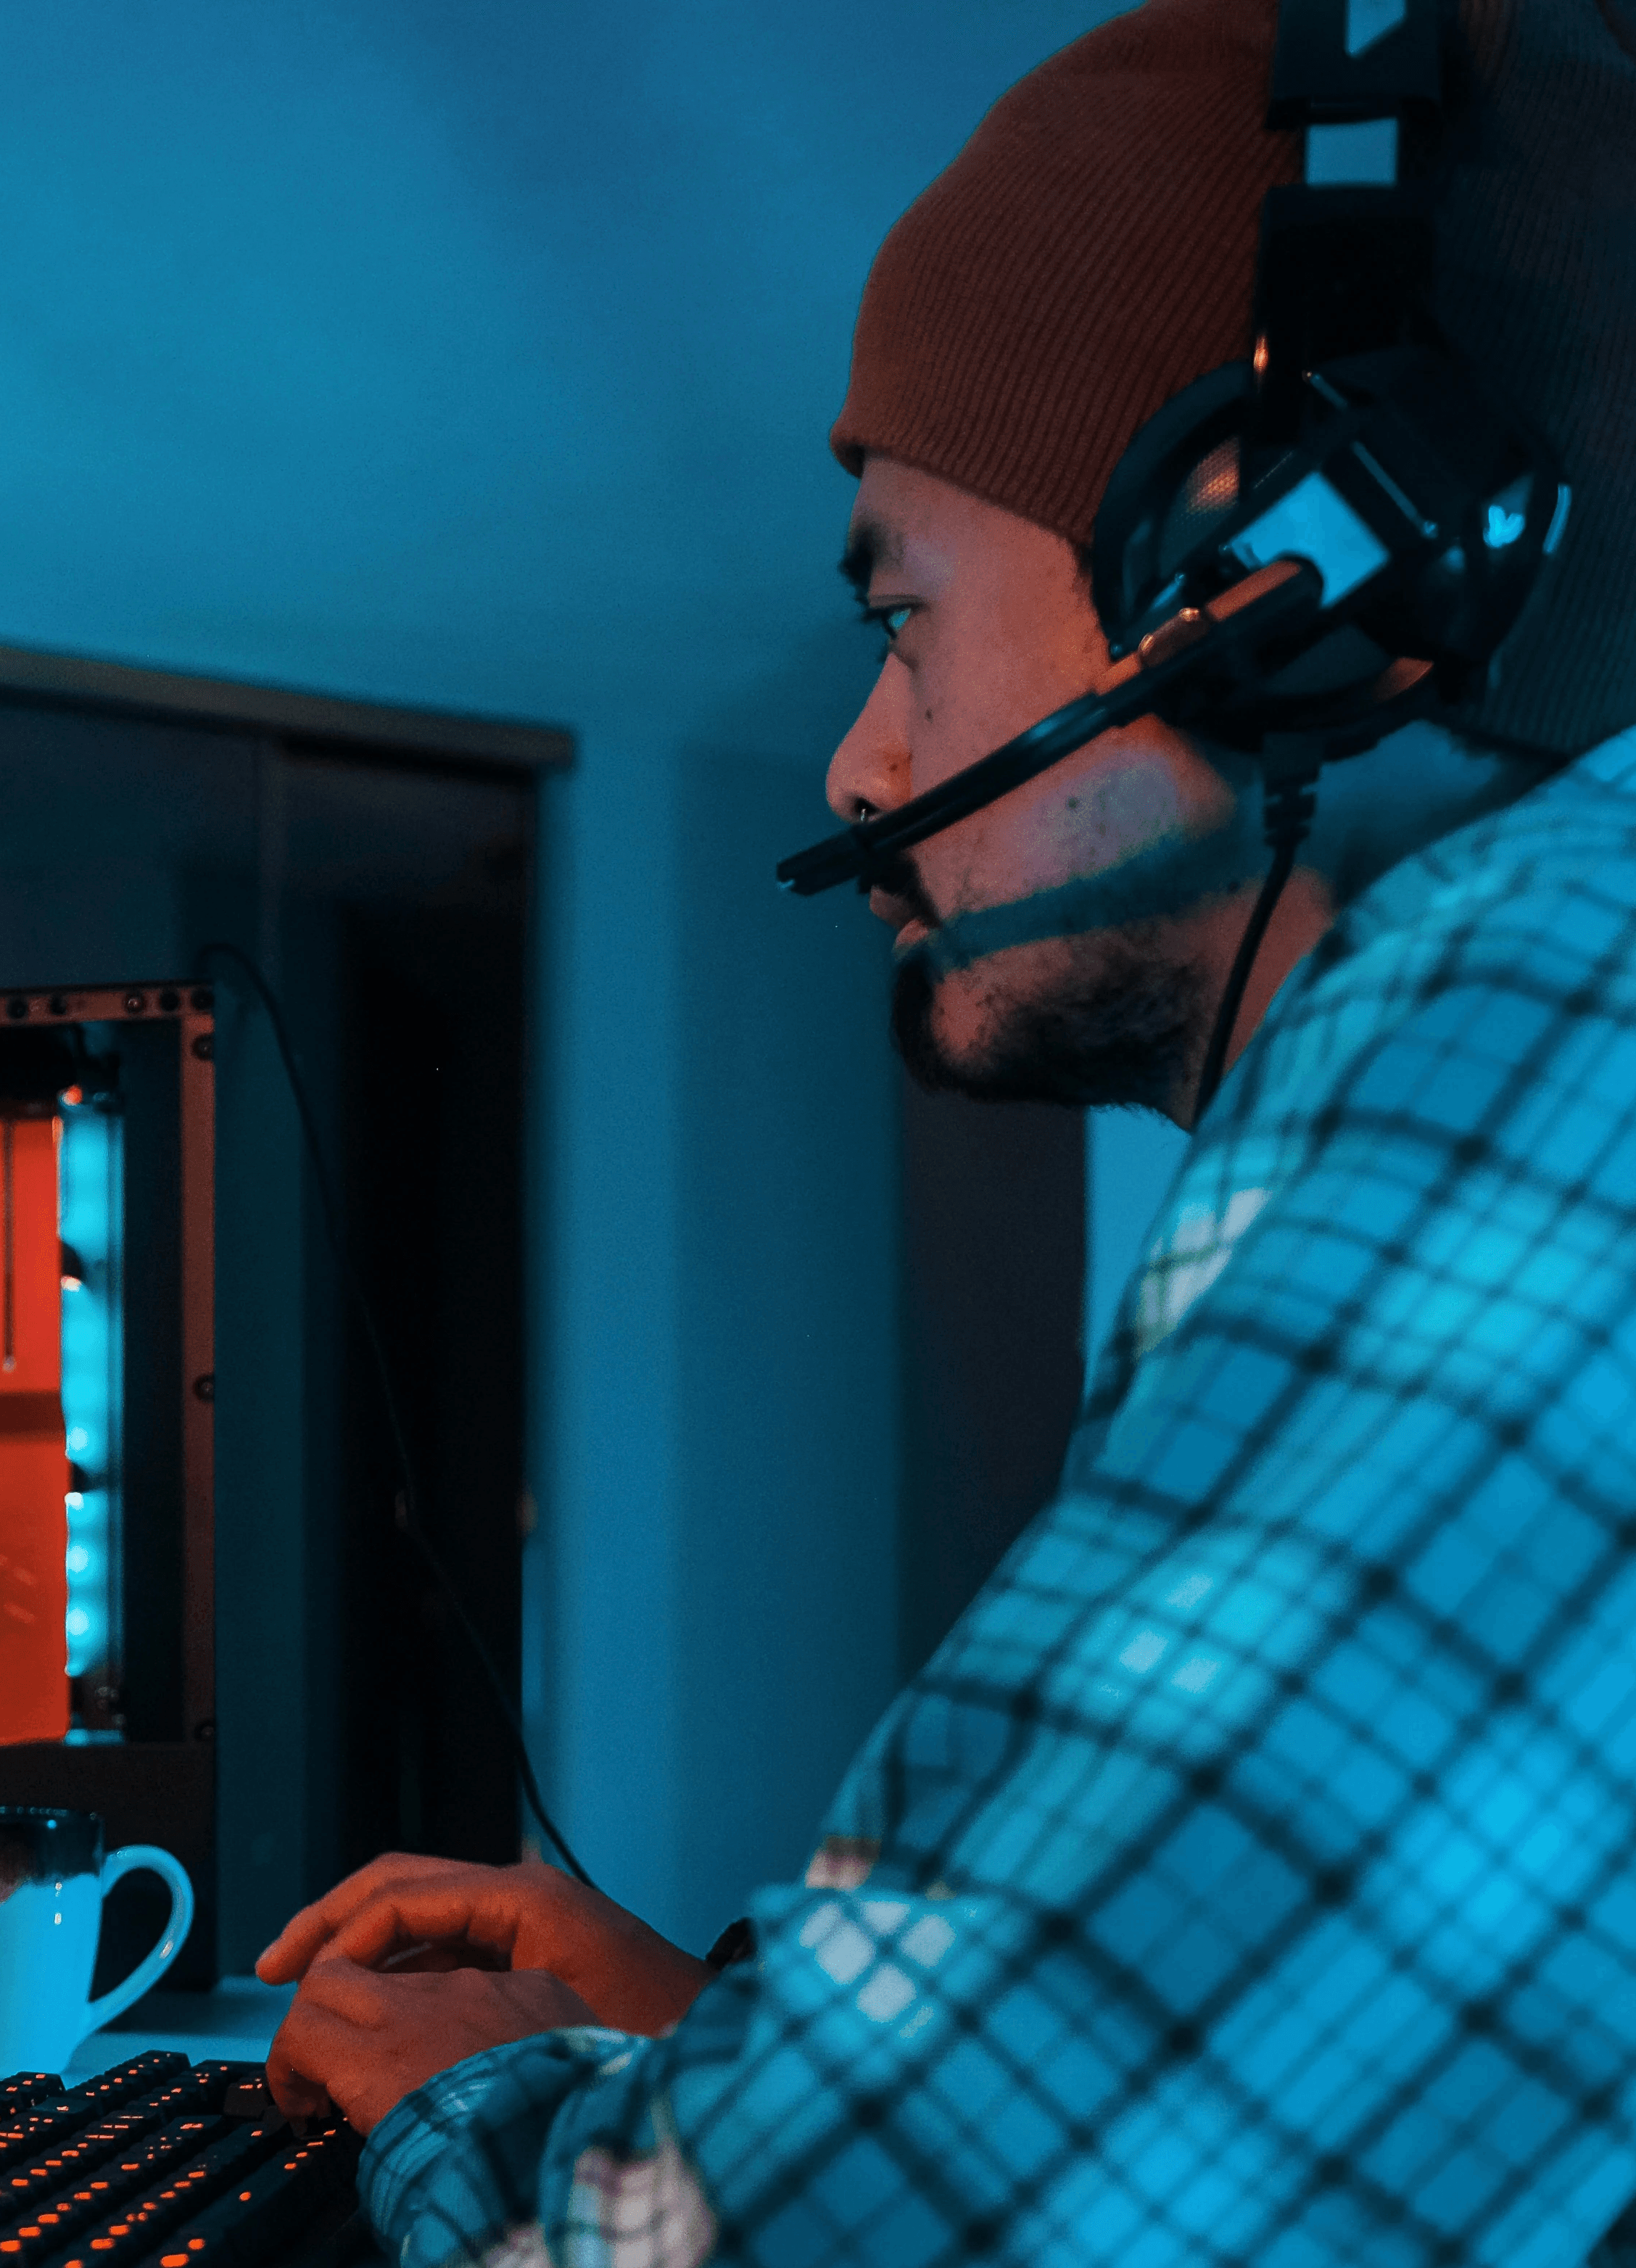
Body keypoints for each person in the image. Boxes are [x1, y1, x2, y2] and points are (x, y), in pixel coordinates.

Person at [260, 1, 1636, 2259]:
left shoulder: (1532, 1004)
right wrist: (720, 2031)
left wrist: (480, 2101)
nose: (860, 768)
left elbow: (878, 2244)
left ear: (1278, 589)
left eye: (905, 621)